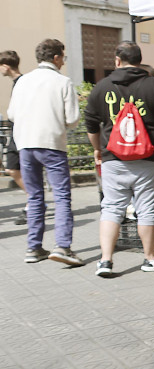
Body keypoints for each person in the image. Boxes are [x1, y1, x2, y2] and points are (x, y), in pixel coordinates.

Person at [85, 41, 154, 276]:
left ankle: (105, 261)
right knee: (148, 209)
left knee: (111, 208)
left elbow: (90, 123)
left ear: (117, 60)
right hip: (148, 160)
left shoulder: (102, 86)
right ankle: (150, 258)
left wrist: (97, 149)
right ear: (140, 61)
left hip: (113, 159)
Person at [6, 39, 82, 266]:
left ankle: (34, 248)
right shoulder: (63, 81)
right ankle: (63, 246)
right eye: (62, 58)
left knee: (35, 196)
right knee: (61, 196)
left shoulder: (23, 81)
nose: (63, 62)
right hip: (52, 144)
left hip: (26, 144)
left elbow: (11, 114)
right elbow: (73, 119)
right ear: (56, 57)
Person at [0, 50, 28, 225]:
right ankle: (34, 200)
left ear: (6, 66)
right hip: (16, 132)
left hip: (22, 132)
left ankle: (33, 202)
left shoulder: (22, 82)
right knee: (12, 168)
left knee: (18, 168)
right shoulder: (17, 82)